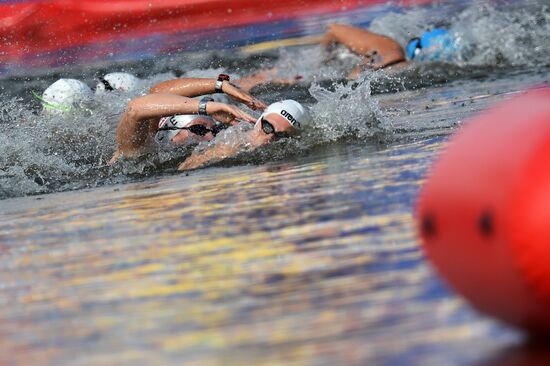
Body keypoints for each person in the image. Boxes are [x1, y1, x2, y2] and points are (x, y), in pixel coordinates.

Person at [235, 23, 456, 90]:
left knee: (269, 81)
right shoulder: (393, 55)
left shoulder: (392, 53)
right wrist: (322, 58)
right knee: (271, 80)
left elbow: (335, 29)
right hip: (320, 72)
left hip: (324, 77)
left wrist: (323, 61)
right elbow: (333, 29)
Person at [109, 75, 268, 164]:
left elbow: (156, 92)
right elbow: (136, 108)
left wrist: (221, 85)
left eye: (215, 130)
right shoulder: (137, 149)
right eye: (198, 130)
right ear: (168, 132)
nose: (211, 137)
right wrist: (211, 100)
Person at [177, 99, 311, 171]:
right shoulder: (232, 142)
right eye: (267, 127)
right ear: (259, 120)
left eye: (282, 136)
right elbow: (185, 170)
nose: (270, 138)